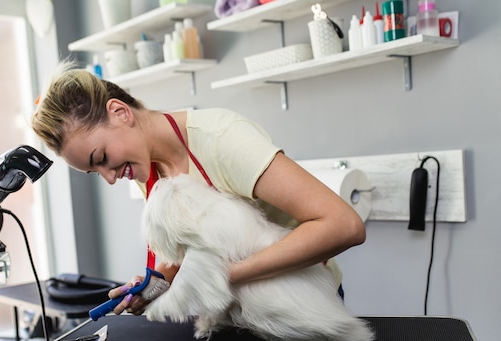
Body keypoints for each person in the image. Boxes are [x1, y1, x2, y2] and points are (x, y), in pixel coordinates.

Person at [31, 61, 366, 316]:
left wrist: (220, 275)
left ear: (120, 112)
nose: (109, 177)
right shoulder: (148, 170)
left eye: (102, 157)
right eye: (95, 171)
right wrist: (157, 283)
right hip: (242, 317)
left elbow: (343, 226)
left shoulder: (222, 139)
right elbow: (191, 252)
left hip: (303, 305)